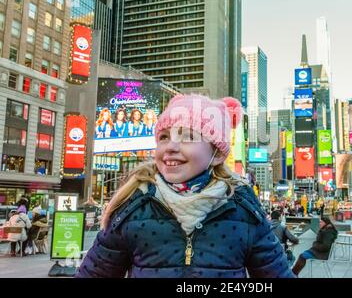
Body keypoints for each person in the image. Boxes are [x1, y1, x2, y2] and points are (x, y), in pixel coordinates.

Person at [76, 94, 294, 278]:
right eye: (163, 137)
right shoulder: (133, 206)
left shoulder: (244, 211)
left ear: (216, 154)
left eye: (187, 137)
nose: (170, 147)